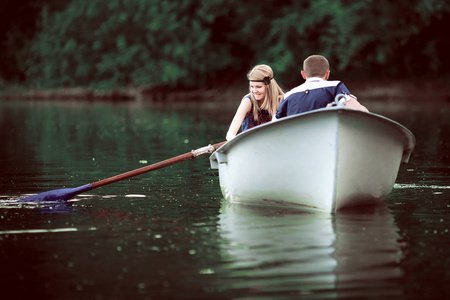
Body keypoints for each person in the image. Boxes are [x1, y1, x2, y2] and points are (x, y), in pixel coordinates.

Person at [276, 55, 368, 119]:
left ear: (303, 74)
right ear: (328, 74)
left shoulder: (288, 95)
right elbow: (358, 110)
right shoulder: (335, 86)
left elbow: (275, 122)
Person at [226, 64, 284, 141]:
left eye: (258, 87)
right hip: (250, 145)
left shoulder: (281, 100)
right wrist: (236, 141)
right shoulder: (248, 101)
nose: (254, 91)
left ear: (269, 87)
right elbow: (230, 134)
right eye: (252, 87)